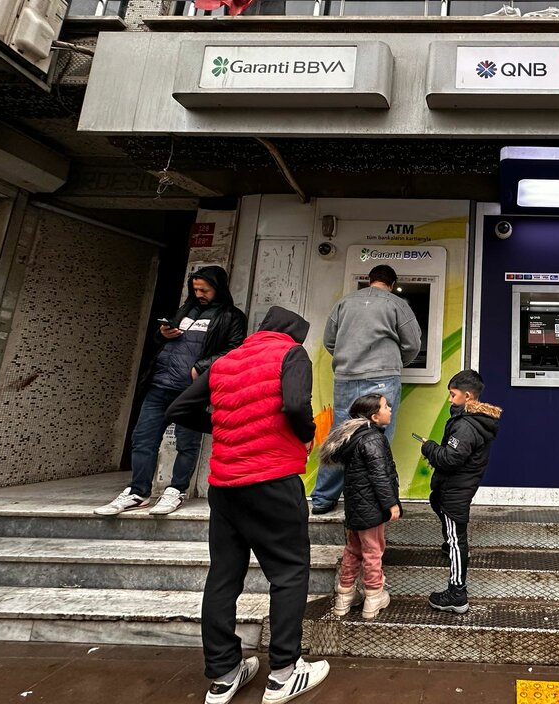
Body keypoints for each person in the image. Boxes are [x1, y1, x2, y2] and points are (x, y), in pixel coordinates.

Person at [166, 306, 329, 704]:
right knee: (289, 573)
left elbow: (179, 409)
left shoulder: (227, 360)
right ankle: (283, 674)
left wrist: (225, 423)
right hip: (273, 480)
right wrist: (306, 434)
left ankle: (223, 674)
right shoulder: (291, 353)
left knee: (223, 577)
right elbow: (294, 405)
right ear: (294, 334)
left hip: (225, 487)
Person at [94, 265, 247, 517]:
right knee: (143, 438)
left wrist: (202, 366)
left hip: (191, 390)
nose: (199, 293)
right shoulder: (184, 310)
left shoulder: (231, 316)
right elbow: (163, 343)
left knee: (187, 443)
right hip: (160, 385)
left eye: (204, 289)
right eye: (195, 289)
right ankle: (137, 491)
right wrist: (163, 334)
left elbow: (234, 349)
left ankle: (176, 489)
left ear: (218, 288)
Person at [311, 263, 421, 515]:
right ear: (391, 284)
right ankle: (372, 499)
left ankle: (323, 499)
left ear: (368, 280)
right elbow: (413, 343)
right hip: (383, 377)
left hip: (347, 377)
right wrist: (395, 361)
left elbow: (330, 340)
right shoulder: (397, 304)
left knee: (340, 436)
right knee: (377, 440)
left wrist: (350, 359)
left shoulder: (344, 303)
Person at [420, 369, 501, 614]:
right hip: (454, 486)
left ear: (467, 396)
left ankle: (457, 593)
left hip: (457, 488)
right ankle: (450, 544)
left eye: (452, 395)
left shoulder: (466, 426)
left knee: (458, 540)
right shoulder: (470, 420)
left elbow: (450, 459)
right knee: (436, 501)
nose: (449, 399)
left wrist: (429, 447)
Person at [319, 393, 402, 620]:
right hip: (372, 507)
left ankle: (344, 595)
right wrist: (391, 504)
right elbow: (380, 475)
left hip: (356, 507)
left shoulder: (356, 437)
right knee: (374, 549)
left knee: (353, 549)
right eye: (386, 406)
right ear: (375, 416)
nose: (390, 409)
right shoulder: (373, 439)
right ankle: (374, 595)